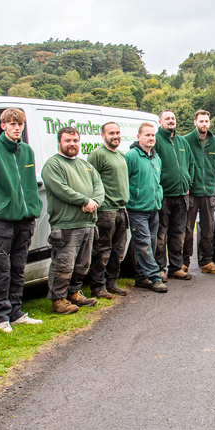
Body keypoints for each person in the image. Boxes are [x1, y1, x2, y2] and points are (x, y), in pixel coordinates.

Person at [0, 108, 44, 333]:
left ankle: (16, 311)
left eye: (20, 124)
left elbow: (30, 183)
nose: (17, 128)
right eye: (12, 124)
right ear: (3, 126)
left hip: (25, 218)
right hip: (4, 219)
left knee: (19, 266)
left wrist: (33, 207)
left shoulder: (26, 151)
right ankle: (1, 315)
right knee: (2, 267)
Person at [41, 127, 103, 313]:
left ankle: (74, 293)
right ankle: (58, 299)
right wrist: (84, 200)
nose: (72, 144)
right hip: (66, 224)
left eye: (75, 140)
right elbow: (61, 189)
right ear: (59, 142)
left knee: (82, 264)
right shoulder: (53, 165)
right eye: (68, 140)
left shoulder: (85, 165)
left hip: (87, 222)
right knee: (63, 264)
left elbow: (99, 186)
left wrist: (95, 202)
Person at [87, 121, 131, 298]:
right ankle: (98, 286)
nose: (115, 136)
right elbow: (91, 182)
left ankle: (112, 282)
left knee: (118, 251)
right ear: (103, 135)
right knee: (102, 250)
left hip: (121, 209)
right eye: (111, 133)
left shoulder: (120, 154)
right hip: (106, 211)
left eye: (118, 133)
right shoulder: (97, 155)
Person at [125, 122, 167, 293]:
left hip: (154, 208)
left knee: (151, 242)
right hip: (137, 209)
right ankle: (155, 278)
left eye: (152, 135)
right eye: (147, 135)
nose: (151, 138)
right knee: (143, 244)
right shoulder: (131, 156)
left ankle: (141, 277)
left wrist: (160, 195)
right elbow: (124, 180)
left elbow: (157, 182)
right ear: (138, 137)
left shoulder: (156, 158)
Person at [182, 110, 215, 274]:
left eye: (206, 121)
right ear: (195, 122)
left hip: (208, 192)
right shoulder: (186, 141)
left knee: (208, 229)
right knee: (187, 229)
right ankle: (184, 263)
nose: (204, 124)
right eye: (201, 121)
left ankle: (206, 262)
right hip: (191, 192)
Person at [154, 110, 193, 282]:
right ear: (160, 121)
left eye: (173, 118)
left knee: (179, 234)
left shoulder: (182, 142)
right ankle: (160, 268)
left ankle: (176, 267)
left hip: (181, 196)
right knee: (161, 234)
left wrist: (188, 183)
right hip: (164, 196)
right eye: (167, 118)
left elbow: (191, 164)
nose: (171, 121)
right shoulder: (156, 141)